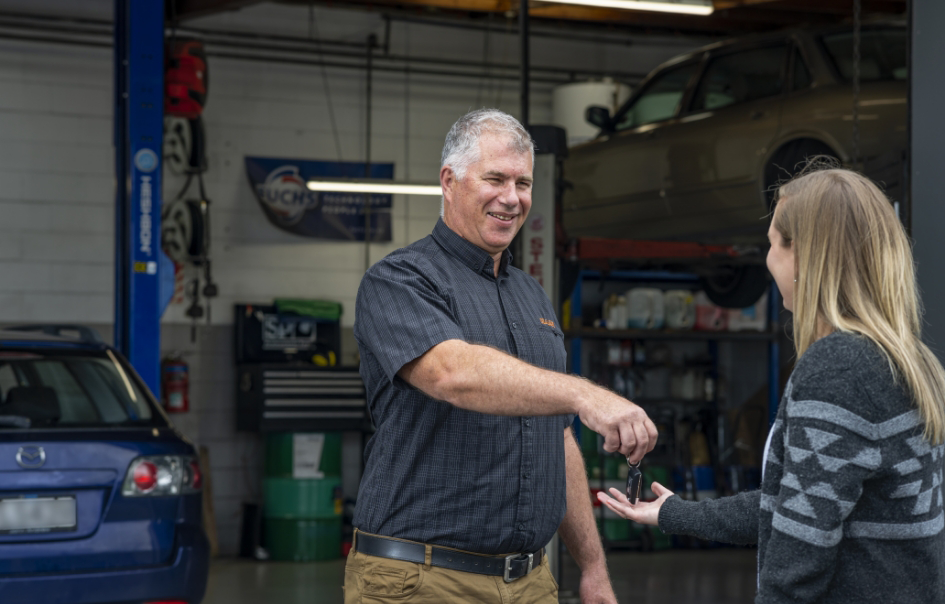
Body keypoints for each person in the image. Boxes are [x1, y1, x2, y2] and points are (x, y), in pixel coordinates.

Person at [345, 108, 658, 604]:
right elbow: (453, 373)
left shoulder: (530, 295)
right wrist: (584, 395)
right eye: (495, 179)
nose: (511, 199)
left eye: (523, 183)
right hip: (422, 581)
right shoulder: (399, 281)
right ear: (450, 181)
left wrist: (593, 567)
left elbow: (557, 436)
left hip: (530, 582)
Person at [599, 167, 945, 603]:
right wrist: (677, 513)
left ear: (803, 254)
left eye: (772, 244)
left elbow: (799, 559)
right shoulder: (906, 359)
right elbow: (795, 504)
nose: (766, 260)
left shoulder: (839, 368)